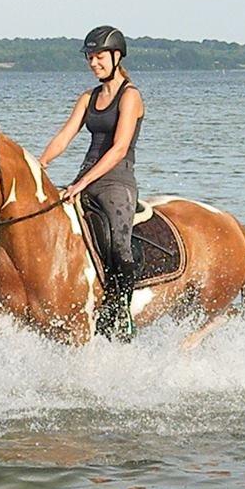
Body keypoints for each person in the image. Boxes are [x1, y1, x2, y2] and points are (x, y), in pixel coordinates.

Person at [38, 25, 144, 342]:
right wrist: (39, 163)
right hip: (84, 178)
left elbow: (119, 148)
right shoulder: (89, 97)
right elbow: (65, 135)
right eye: (89, 57)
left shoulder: (131, 96)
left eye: (98, 56)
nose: (93, 63)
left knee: (118, 245)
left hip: (117, 181)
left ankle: (122, 311)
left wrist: (83, 182)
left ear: (115, 56)